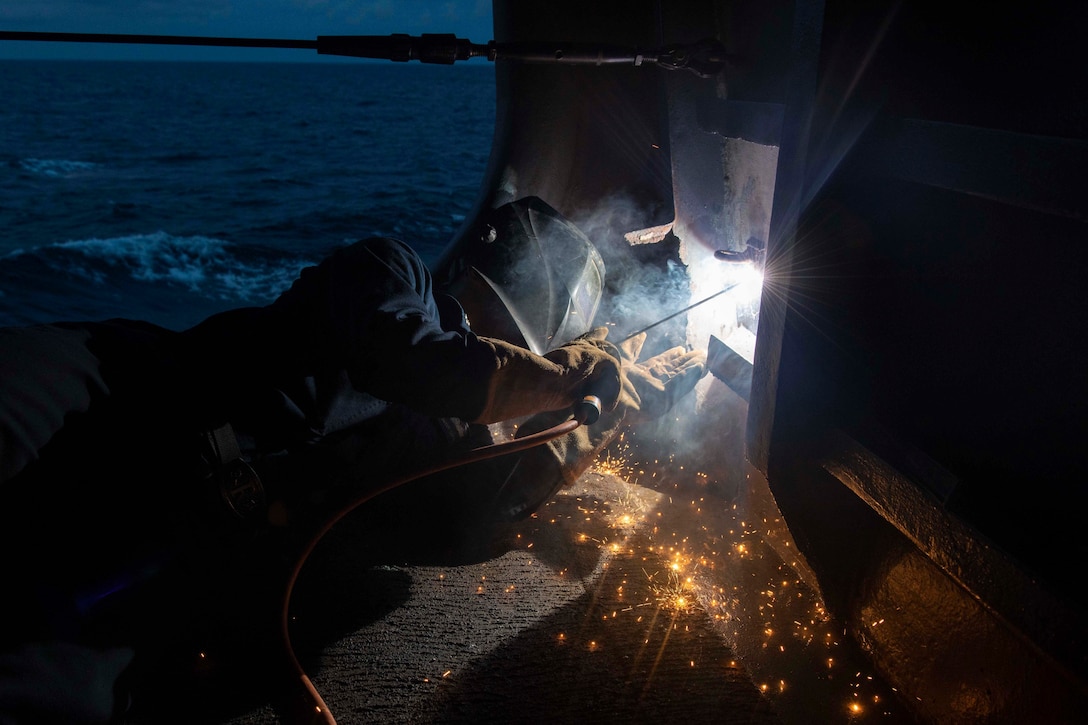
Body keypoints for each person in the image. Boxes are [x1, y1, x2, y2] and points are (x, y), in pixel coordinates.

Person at [0, 197, 706, 723]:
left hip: (171, 542)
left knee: (56, 698)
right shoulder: (388, 270)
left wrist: (613, 405)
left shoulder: (445, 440)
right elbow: (414, 358)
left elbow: (488, 501)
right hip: (114, 398)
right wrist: (563, 380)